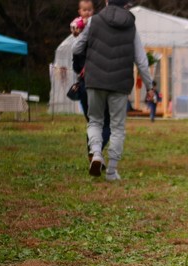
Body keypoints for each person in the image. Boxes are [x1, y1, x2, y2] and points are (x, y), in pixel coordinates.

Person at [73, 0, 153, 181]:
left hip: (95, 80)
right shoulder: (131, 26)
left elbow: (76, 48)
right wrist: (149, 86)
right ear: (126, 4)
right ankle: (111, 171)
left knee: (95, 121)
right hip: (120, 84)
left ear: (107, 1)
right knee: (117, 127)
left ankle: (96, 154)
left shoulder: (94, 21)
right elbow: (141, 60)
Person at [70, 0, 111, 164]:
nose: (87, 13)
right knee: (106, 122)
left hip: (84, 84)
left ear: (93, 11)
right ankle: (96, 152)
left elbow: (75, 63)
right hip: (99, 82)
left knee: (93, 122)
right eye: (84, 10)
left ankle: (93, 152)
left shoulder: (81, 34)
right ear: (79, 11)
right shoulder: (81, 30)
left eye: (89, 10)